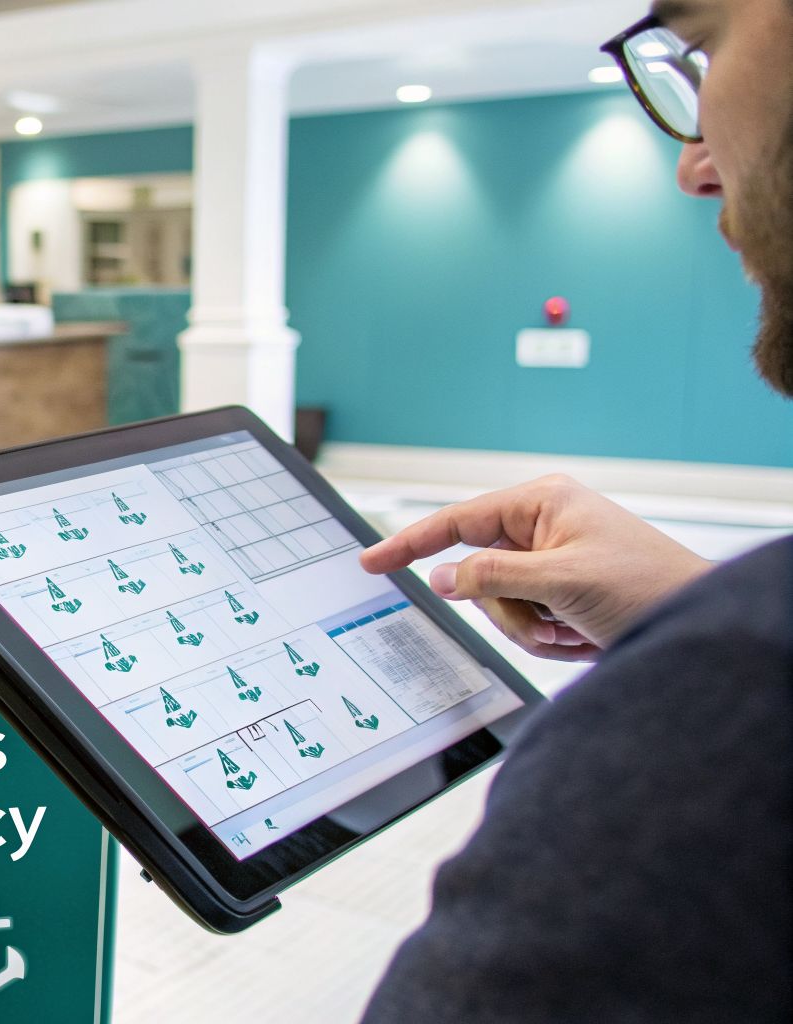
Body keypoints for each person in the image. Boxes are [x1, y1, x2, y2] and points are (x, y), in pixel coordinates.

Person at [360, 1, 791, 1019]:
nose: (691, 167)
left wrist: (715, 657)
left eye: (701, 47)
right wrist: (689, 605)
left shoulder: (733, 697)